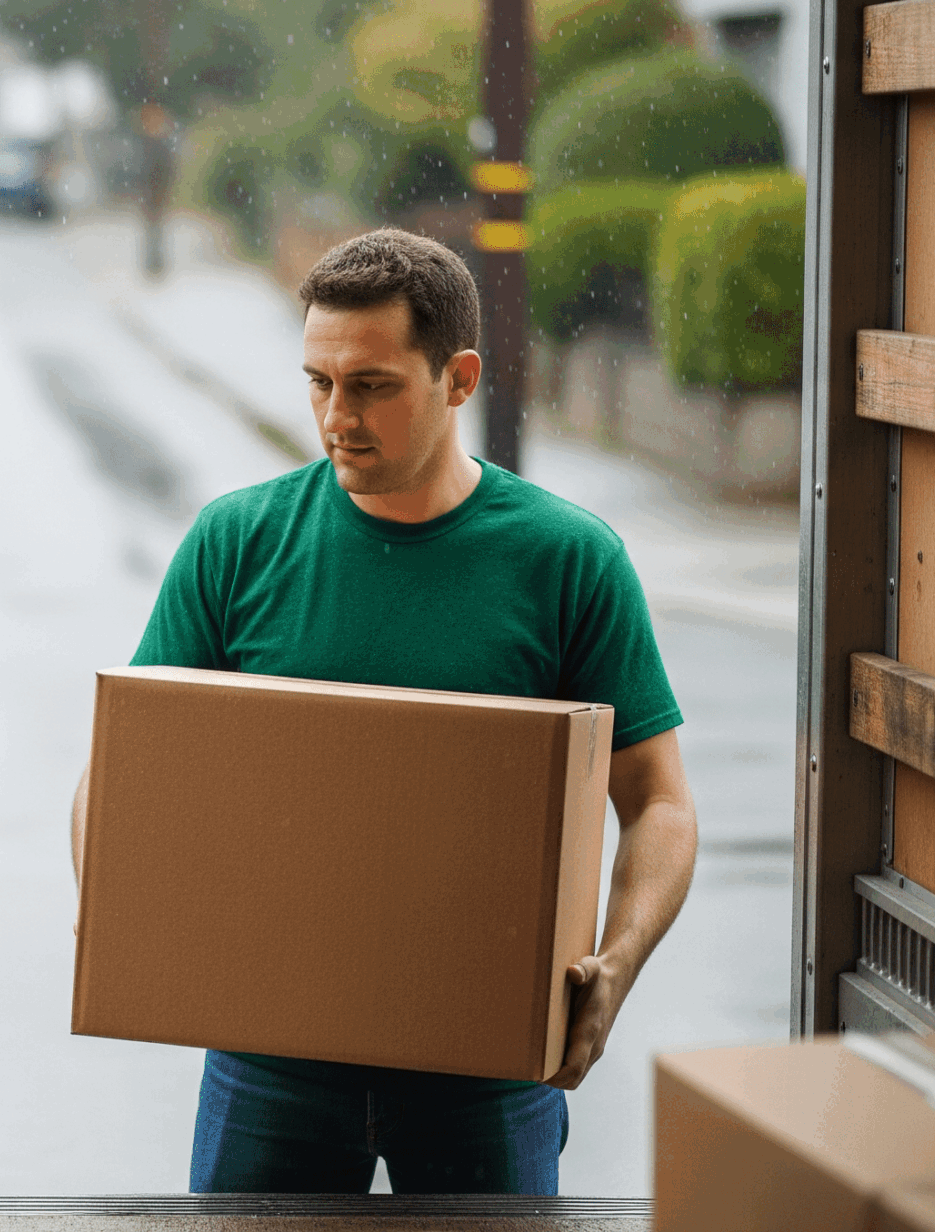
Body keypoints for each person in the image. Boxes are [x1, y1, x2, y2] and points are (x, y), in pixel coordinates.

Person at [75, 229, 698, 1195]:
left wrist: (615, 964)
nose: (337, 417)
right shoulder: (237, 543)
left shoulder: (568, 560)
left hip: (487, 1071)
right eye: (319, 383)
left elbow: (659, 802)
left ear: (457, 379)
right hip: (268, 1064)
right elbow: (125, 785)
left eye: (372, 386)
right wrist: (151, 936)